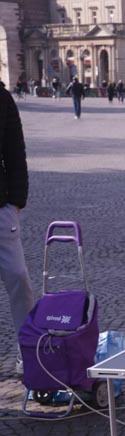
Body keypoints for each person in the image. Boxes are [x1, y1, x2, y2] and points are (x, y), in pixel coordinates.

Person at [0, 81, 35, 344]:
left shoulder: (2, 98)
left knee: (18, 276)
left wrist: (16, 202)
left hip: (2, 207)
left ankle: (31, 351)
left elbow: (15, 153)